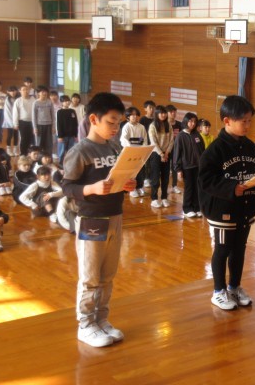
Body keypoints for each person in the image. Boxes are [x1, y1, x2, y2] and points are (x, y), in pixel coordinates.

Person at [61, 92, 136, 348]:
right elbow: (67, 187)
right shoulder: (80, 151)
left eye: (119, 123)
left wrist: (128, 184)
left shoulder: (115, 148)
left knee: (107, 275)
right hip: (92, 219)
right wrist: (91, 189)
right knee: (90, 277)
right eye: (111, 122)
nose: (116, 128)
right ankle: (85, 324)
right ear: (94, 119)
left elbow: (117, 178)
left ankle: (101, 319)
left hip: (115, 216)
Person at [198, 95, 255, 310]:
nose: (247, 125)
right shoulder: (215, 149)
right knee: (222, 249)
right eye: (243, 121)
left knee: (239, 249)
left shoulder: (249, 146)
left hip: (244, 208)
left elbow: (253, 174)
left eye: (249, 121)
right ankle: (218, 291)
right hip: (223, 210)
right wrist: (231, 188)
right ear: (227, 121)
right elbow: (205, 180)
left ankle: (234, 287)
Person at [172, 112, 204, 217]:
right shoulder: (180, 136)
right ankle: (187, 209)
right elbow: (177, 153)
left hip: (197, 166)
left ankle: (197, 207)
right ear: (186, 121)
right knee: (189, 188)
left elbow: (202, 150)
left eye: (194, 121)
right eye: (190, 121)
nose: (192, 123)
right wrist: (178, 169)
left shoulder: (197, 135)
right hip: (187, 167)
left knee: (197, 187)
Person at [147, 105, 174, 208]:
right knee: (155, 177)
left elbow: (171, 140)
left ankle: (164, 197)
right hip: (156, 154)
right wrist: (161, 154)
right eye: (161, 113)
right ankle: (154, 198)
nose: (163, 115)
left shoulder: (168, 125)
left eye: (164, 113)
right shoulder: (152, 125)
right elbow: (153, 141)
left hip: (166, 154)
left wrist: (166, 153)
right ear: (157, 114)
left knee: (165, 177)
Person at [120, 106, 148, 198]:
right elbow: (124, 139)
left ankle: (139, 187)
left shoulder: (141, 127)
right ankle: (132, 189)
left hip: (140, 153)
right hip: (130, 153)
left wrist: (143, 150)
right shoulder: (126, 127)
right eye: (132, 115)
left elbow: (144, 140)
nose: (135, 116)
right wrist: (132, 150)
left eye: (136, 115)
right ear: (128, 117)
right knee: (131, 172)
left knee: (140, 171)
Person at [32, 86, 55, 156]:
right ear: (38, 93)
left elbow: (53, 116)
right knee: (39, 143)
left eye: (45, 92)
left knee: (49, 144)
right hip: (39, 126)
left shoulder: (50, 102)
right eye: (42, 92)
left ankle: (48, 158)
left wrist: (53, 127)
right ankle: (39, 158)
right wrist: (35, 128)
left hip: (48, 126)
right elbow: (34, 117)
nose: (44, 93)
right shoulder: (36, 103)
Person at [56, 95, 79, 166]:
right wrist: (60, 136)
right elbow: (59, 124)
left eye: (68, 101)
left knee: (71, 150)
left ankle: (70, 164)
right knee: (62, 151)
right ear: (61, 102)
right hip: (63, 136)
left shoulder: (72, 111)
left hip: (72, 135)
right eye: (65, 101)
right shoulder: (59, 112)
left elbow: (75, 123)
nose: (67, 102)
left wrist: (76, 135)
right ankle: (60, 164)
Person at [13, 84, 35, 155]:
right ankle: (23, 154)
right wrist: (15, 124)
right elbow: (15, 113)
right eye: (23, 90)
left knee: (31, 139)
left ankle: (29, 154)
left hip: (32, 122)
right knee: (23, 139)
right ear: (20, 91)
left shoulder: (33, 99)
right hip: (22, 122)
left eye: (27, 89)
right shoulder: (18, 101)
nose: (25, 91)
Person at [166, 104, 183, 194]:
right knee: (165, 169)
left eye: (175, 112)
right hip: (166, 149)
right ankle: (165, 187)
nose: (173, 113)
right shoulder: (164, 124)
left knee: (175, 167)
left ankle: (174, 185)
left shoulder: (179, 124)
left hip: (176, 149)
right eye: (171, 112)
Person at [2, 85, 19, 156]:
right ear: (8, 92)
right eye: (11, 91)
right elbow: (7, 112)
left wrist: (17, 122)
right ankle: (8, 150)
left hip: (17, 121)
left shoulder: (18, 99)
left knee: (16, 135)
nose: (13, 92)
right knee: (10, 135)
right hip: (10, 121)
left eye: (14, 91)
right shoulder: (7, 100)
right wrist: (12, 123)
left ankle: (15, 150)